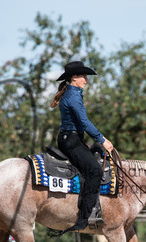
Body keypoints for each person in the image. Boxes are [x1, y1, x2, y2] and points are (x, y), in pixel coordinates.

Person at [50, 61, 114, 232]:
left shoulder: (73, 93)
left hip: (73, 139)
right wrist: (103, 140)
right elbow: (84, 122)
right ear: (74, 78)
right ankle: (84, 217)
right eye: (83, 76)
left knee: (96, 155)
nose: (86, 79)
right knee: (95, 171)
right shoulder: (73, 96)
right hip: (71, 141)